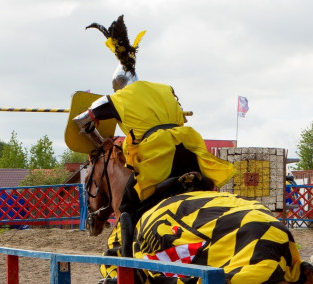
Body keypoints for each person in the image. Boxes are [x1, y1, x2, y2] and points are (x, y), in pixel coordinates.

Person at [74, 15, 235, 223]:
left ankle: (126, 250)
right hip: (190, 150)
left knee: (126, 206)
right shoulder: (165, 89)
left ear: (118, 85)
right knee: (204, 186)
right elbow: (178, 119)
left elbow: (81, 120)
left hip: (158, 158)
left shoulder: (117, 98)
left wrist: (99, 141)